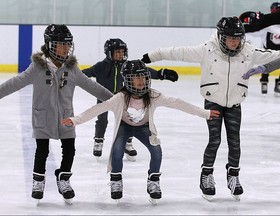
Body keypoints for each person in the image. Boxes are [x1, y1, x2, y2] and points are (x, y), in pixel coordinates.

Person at [140, 16, 280, 201]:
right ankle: (206, 175)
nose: (235, 42)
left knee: (235, 142)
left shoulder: (248, 51)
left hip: (234, 103)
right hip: (213, 102)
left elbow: (274, 56)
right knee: (214, 140)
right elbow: (178, 52)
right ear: (221, 37)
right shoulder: (207, 50)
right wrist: (152, 56)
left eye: (238, 38)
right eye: (230, 38)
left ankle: (233, 175)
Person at [61, 60, 220, 202]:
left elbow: (178, 103)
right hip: (124, 127)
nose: (141, 82)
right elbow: (98, 108)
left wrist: (205, 113)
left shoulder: (153, 96)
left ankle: (153, 181)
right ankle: (116, 180)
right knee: (117, 151)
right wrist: (75, 120)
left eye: (144, 78)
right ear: (128, 80)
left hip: (144, 128)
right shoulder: (120, 98)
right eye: (137, 79)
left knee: (156, 151)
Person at [0, 24, 113, 203]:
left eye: (68, 44)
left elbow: (92, 86)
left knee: (69, 150)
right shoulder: (37, 67)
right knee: (42, 150)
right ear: (49, 45)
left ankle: (64, 178)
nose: (65, 48)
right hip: (43, 116)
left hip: (66, 116)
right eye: (61, 44)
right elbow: (16, 82)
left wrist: (114, 100)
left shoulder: (72, 69)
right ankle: (38, 180)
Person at [82, 38, 178, 161]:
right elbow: (84, 73)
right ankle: (98, 140)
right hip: (104, 97)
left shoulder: (127, 65)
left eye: (122, 52)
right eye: (117, 52)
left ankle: (127, 142)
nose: (121, 54)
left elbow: (144, 71)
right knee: (102, 119)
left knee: (128, 119)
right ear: (109, 53)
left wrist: (161, 74)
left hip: (123, 98)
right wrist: (71, 76)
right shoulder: (100, 66)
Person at [241, 2, 280, 97]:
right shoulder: (267, 27)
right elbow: (255, 29)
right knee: (266, 63)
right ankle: (264, 82)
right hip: (269, 52)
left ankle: (279, 84)